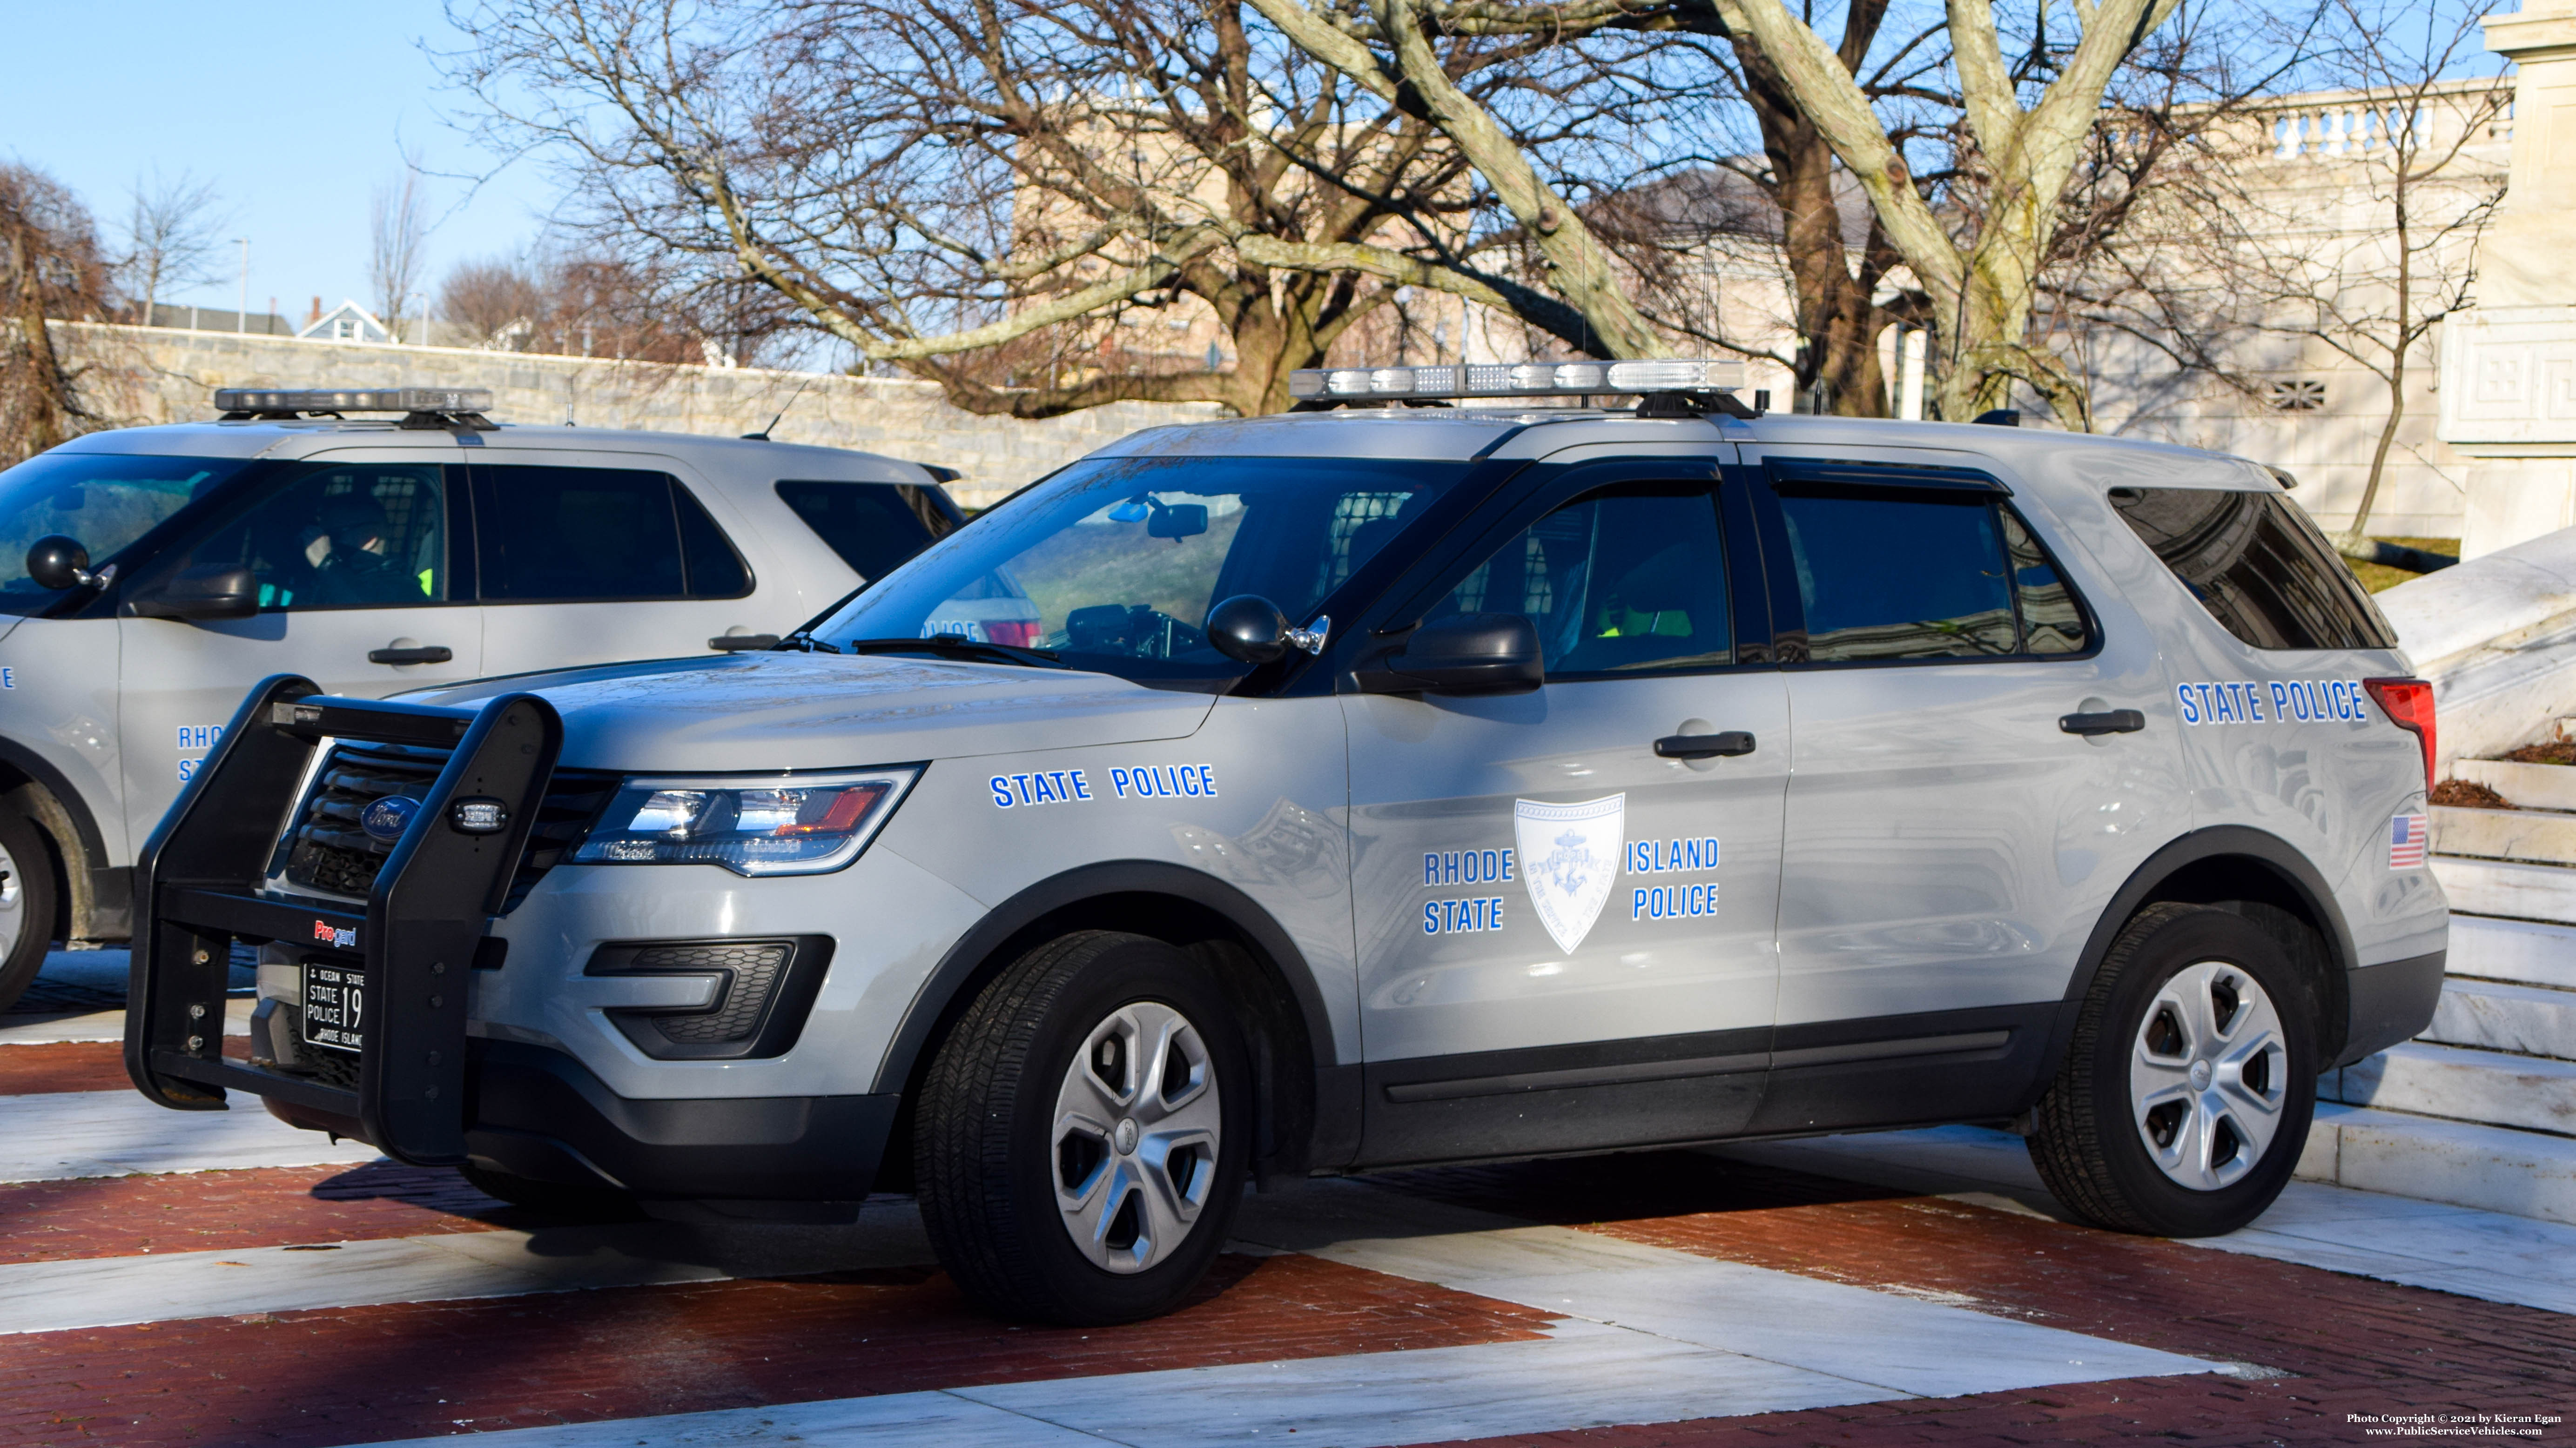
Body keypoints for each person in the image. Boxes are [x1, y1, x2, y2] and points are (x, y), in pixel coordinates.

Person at [302, 494, 422, 608]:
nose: (325, 544)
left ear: (368, 538)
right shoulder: (326, 582)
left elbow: (365, 619)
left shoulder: (403, 591)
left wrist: (326, 565)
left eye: (333, 535)